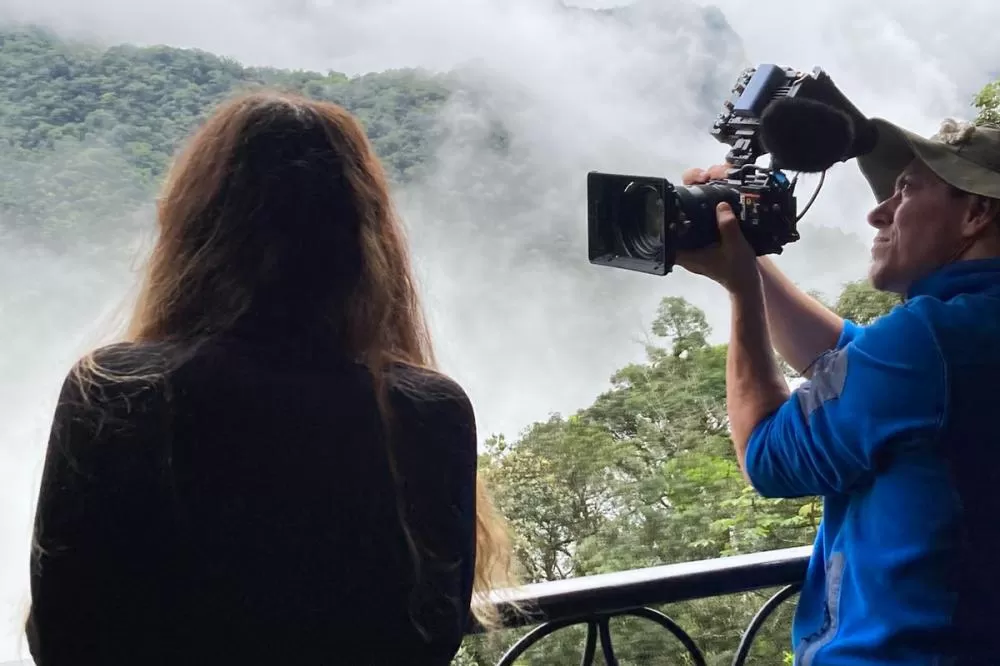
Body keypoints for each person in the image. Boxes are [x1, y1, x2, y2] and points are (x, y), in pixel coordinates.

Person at [25, 91, 519, 666]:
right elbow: (432, 632)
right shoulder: (429, 411)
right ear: (366, 236)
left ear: (192, 225)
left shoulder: (118, 390)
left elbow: (63, 634)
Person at [680, 116, 1000, 664]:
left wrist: (739, 290)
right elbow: (852, 367)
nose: (879, 212)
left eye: (906, 190)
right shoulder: (958, 338)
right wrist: (748, 257)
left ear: (976, 213)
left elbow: (765, 452)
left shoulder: (930, 343)